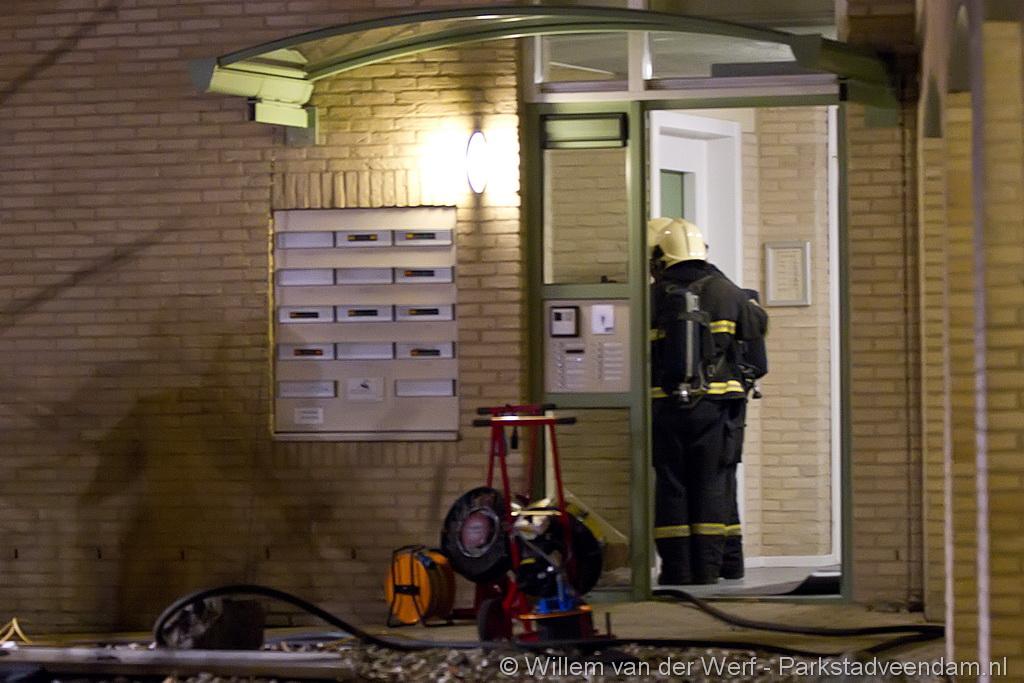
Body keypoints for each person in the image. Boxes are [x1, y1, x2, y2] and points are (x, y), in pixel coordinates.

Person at [648, 217, 768, 585]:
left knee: (672, 484)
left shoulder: (651, 297)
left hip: (664, 405)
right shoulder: (731, 293)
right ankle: (720, 567)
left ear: (659, 257)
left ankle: (679, 570)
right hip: (720, 409)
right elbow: (757, 362)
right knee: (715, 482)